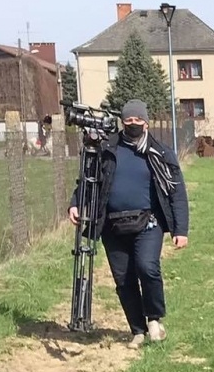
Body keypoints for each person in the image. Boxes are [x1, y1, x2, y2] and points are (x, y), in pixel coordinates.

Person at [67, 100, 188, 348]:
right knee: (124, 279)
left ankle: (154, 319)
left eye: (138, 120)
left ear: (146, 122)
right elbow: (88, 179)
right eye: (128, 120)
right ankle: (137, 330)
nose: (133, 124)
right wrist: (75, 202)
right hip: (112, 225)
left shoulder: (160, 153)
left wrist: (180, 230)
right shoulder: (107, 149)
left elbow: (177, 193)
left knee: (147, 268)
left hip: (148, 222)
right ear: (122, 122)